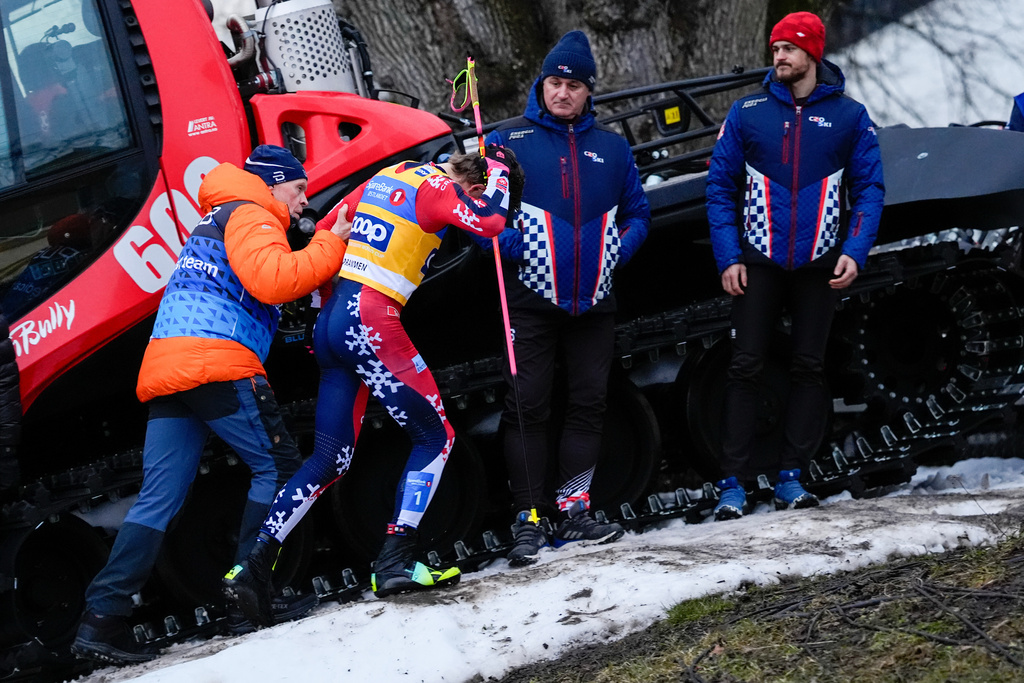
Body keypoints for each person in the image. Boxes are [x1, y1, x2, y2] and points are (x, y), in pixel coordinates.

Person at [71, 145, 350, 665]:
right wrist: (332, 242)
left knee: (159, 498)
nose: (302, 202)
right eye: (297, 190)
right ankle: (251, 591)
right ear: (271, 185)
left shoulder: (216, 215)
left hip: (168, 364)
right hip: (215, 362)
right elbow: (276, 279)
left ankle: (100, 621)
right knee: (281, 470)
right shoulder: (252, 213)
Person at [223, 145, 523, 626]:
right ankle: (395, 559)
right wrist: (502, 175)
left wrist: (325, 308)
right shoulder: (441, 186)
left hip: (332, 325)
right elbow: (489, 223)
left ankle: (252, 566)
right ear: (472, 185)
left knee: (329, 458)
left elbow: (324, 231)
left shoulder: (393, 173)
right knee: (436, 437)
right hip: (370, 319)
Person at [477, 30, 650, 566]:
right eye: (555, 82)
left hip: (594, 302)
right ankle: (527, 518)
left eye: (573, 85)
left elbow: (640, 214)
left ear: (587, 91)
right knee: (527, 407)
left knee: (588, 404)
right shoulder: (508, 141)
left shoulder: (614, 148)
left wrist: (616, 253)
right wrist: (513, 246)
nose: (563, 93)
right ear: (542, 84)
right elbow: (480, 217)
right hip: (530, 299)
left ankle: (574, 508)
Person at [706, 11, 885, 521]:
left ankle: (791, 476)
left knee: (809, 367)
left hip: (821, 263)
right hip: (756, 261)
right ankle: (732, 485)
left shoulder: (850, 116)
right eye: (775, 48)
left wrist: (855, 248)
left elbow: (870, 189)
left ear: (813, 53)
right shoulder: (747, 112)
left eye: (788, 48)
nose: (778, 56)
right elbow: (720, 188)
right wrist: (729, 256)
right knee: (744, 368)